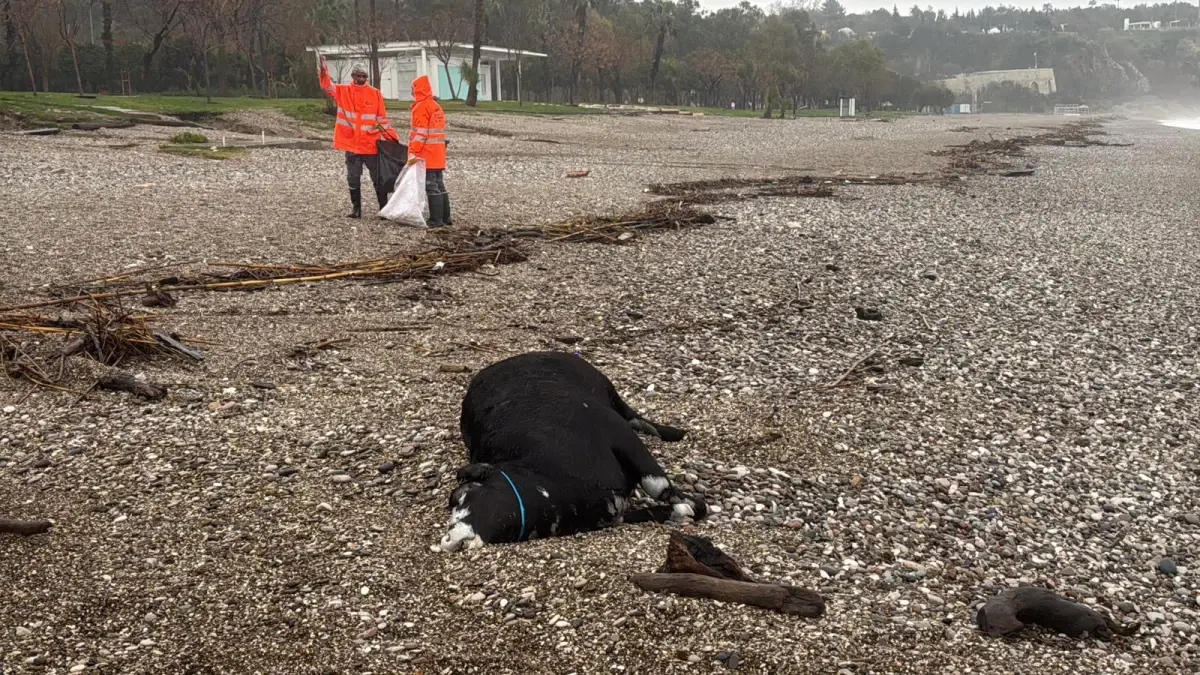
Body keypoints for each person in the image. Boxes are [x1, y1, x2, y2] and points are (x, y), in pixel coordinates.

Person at [319, 55, 399, 219]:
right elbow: (327, 86)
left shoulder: (375, 94)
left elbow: (382, 119)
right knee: (353, 178)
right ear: (353, 76)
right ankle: (356, 209)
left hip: (370, 144)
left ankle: (384, 209)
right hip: (352, 145)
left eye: (364, 76)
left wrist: (393, 139)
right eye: (358, 76)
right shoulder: (343, 91)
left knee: (378, 178)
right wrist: (323, 69)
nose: (361, 78)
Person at [406, 74, 452, 227]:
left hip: (427, 154)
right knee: (439, 184)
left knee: (431, 185)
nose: (411, 92)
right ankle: (446, 218)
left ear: (418, 90)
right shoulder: (435, 106)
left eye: (413, 89)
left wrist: (413, 152)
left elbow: (420, 133)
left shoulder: (421, 108)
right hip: (438, 153)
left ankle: (436, 219)